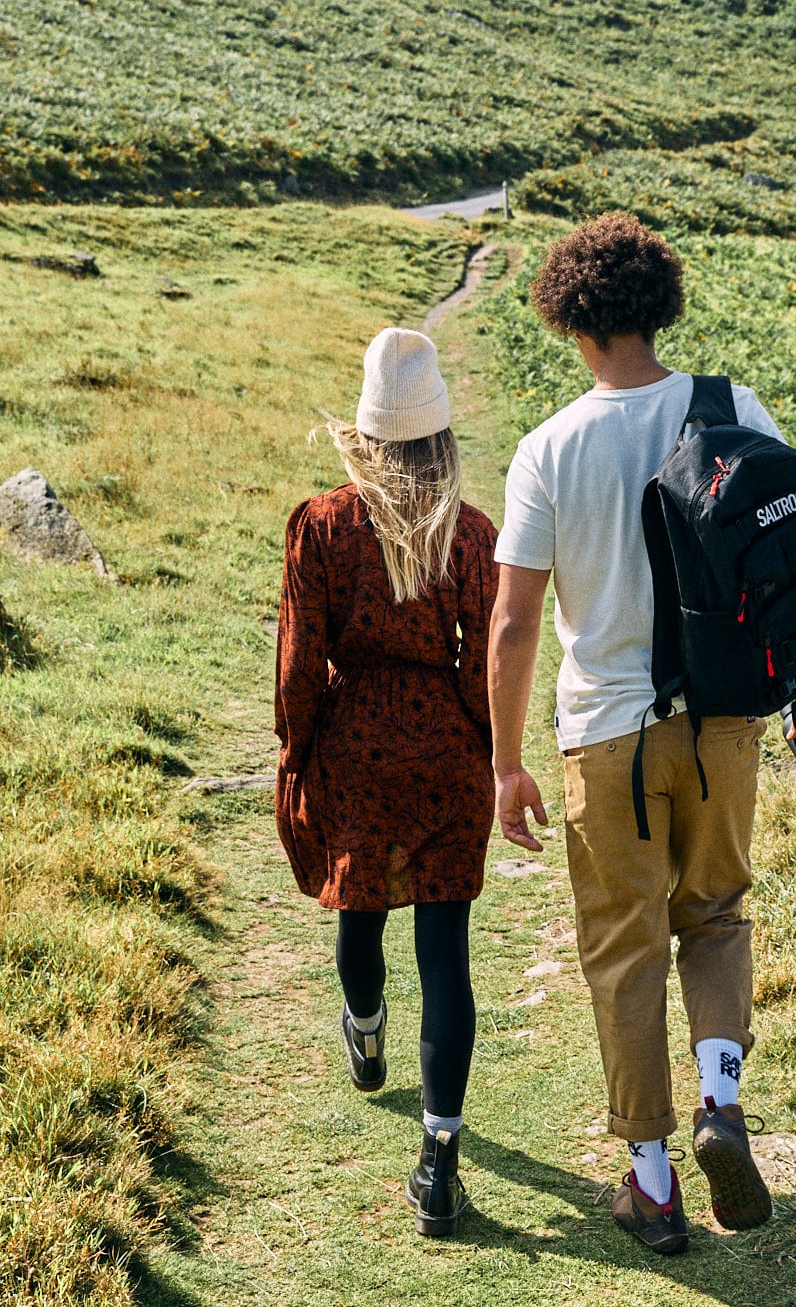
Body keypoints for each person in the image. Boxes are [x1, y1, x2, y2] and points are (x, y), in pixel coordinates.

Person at [487, 213, 796, 1254]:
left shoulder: (548, 447)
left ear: (567, 318)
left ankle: (651, 1182)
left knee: (623, 947)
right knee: (719, 913)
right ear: (663, 302)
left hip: (603, 734)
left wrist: (506, 761)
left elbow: (515, 620)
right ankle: (720, 1100)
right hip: (725, 722)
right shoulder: (732, 408)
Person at [274, 327, 498, 1238]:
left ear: (365, 435)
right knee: (445, 958)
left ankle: (364, 1033)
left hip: (354, 742)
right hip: (446, 744)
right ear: (441, 437)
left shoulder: (323, 525)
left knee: (358, 911)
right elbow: (487, 662)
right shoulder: (475, 535)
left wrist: (298, 749)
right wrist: (488, 753)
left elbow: (298, 664)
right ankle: (438, 1163)